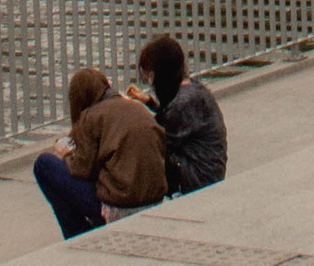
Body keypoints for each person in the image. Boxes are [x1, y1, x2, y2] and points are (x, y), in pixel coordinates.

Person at [33, 65, 167, 239]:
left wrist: (65, 154)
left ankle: (77, 235)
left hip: (120, 206)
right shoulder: (138, 108)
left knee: (44, 165)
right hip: (154, 200)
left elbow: (81, 170)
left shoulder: (91, 116)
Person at [130, 33, 228, 197]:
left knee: (144, 152)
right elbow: (175, 121)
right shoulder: (192, 90)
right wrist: (149, 103)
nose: (149, 79)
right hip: (211, 170)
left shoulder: (182, 103)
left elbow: (159, 140)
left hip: (199, 178)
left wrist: (130, 111)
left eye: (150, 74)